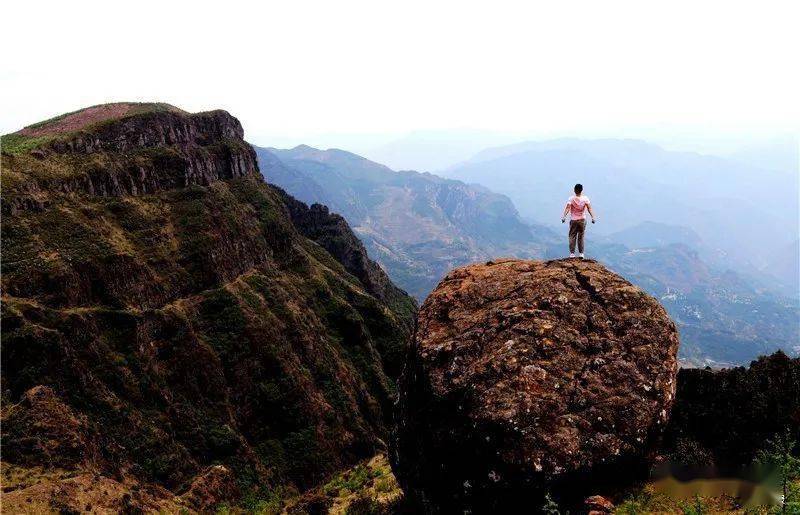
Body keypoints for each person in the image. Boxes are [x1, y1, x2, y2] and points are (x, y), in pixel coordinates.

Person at [561, 183, 596, 258]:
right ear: (581, 190)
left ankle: (572, 254)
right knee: (581, 236)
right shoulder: (585, 198)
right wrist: (593, 217)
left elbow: (568, 208)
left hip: (573, 220)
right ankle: (581, 253)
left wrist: (564, 216)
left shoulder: (571, 198)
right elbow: (589, 208)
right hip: (582, 220)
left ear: (574, 190)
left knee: (572, 236)